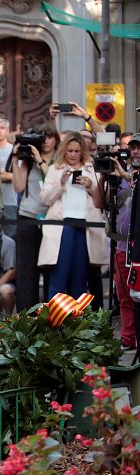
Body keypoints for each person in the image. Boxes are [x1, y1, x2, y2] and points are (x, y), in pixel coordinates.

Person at [38, 132, 108, 297]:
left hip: (86, 227)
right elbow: (44, 199)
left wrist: (91, 185)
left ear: (82, 151)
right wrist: (60, 184)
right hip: (62, 226)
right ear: (64, 150)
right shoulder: (55, 169)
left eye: (77, 151)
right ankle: (54, 320)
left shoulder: (91, 168)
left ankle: (78, 320)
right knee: (59, 278)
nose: (73, 154)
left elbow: (102, 200)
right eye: (70, 151)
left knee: (80, 279)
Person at [11, 124, 59, 310]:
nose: (46, 141)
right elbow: (18, 187)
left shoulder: (59, 160)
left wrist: (40, 160)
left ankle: (50, 312)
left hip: (52, 218)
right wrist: (16, 160)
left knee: (49, 268)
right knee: (26, 270)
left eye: (50, 137)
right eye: (42, 137)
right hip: (28, 216)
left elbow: (53, 180)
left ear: (56, 139)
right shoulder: (28, 160)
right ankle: (26, 314)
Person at [108, 135, 140, 349]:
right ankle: (128, 338)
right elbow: (101, 202)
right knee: (124, 294)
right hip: (121, 245)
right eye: (133, 148)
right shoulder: (119, 177)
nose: (136, 152)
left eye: (139, 148)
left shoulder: (130, 177)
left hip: (138, 247)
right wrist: (104, 179)